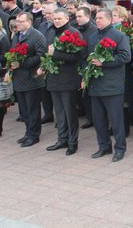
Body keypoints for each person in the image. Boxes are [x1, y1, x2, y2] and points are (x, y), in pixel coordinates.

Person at [85, 8, 131, 162]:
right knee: (99, 119)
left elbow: (125, 56)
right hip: (96, 84)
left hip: (112, 85)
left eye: (100, 18)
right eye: (96, 18)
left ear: (110, 19)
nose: (97, 20)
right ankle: (104, 146)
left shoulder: (119, 36)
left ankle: (120, 148)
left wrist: (104, 62)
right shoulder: (92, 37)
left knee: (116, 120)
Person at [38, 8, 84, 156]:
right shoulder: (51, 32)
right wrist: (44, 66)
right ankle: (62, 139)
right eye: (55, 19)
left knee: (69, 111)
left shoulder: (74, 33)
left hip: (68, 79)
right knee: (59, 112)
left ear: (67, 19)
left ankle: (72, 141)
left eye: (59, 19)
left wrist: (55, 54)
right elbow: (48, 54)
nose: (56, 21)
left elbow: (76, 57)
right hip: (54, 78)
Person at [12, 12, 47, 148]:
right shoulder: (17, 35)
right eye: (17, 21)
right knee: (24, 109)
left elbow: (40, 56)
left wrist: (22, 63)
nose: (18, 23)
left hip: (31, 78)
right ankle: (28, 132)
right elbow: (13, 51)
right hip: (19, 78)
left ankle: (34, 135)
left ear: (29, 22)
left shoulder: (36, 36)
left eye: (21, 21)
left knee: (32, 109)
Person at [75, 7, 97, 129]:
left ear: (87, 16)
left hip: (88, 64)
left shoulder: (93, 30)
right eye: (76, 16)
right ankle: (88, 114)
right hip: (79, 64)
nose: (77, 19)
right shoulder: (77, 29)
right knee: (83, 93)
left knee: (88, 93)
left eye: (80, 16)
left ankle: (92, 117)